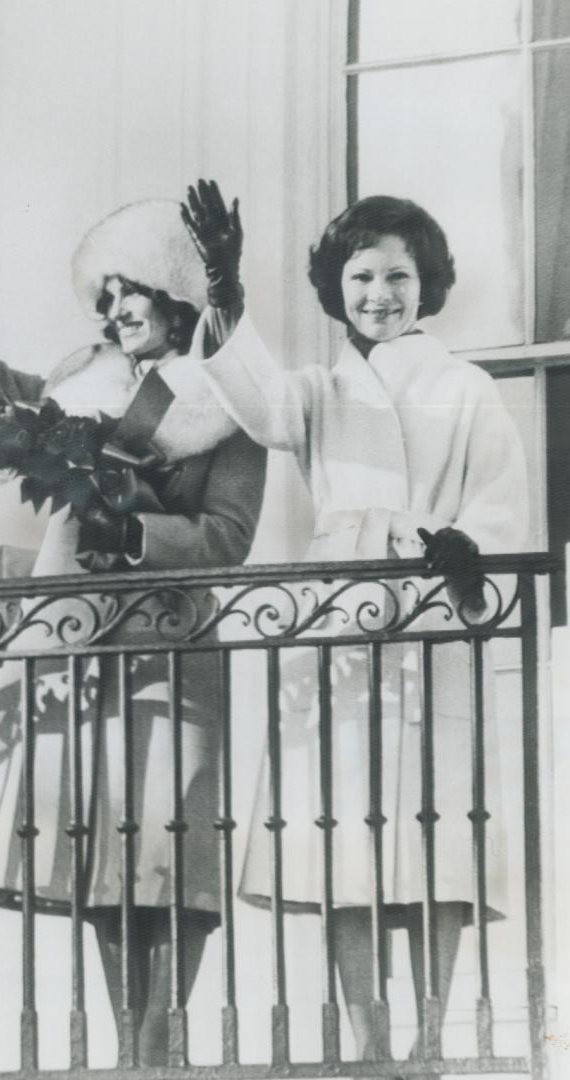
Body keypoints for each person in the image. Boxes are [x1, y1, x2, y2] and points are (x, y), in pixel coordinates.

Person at [0, 163, 265, 1065]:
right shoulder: (78, 378)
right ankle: (129, 1047)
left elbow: (227, 535)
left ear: (174, 295)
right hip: (74, 645)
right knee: (107, 858)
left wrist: (133, 531)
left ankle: (161, 1041)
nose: (112, 314)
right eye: (102, 300)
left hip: (170, 646)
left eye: (128, 295)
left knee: (169, 856)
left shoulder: (230, 394)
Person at [200, 195, 529, 1059]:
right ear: (334, 289)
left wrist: (469, 545)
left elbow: (503, 499)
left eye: (397, 276)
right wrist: (225, 289)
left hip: (433, 599)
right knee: (338, 833)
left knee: (437, 829)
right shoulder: (320, 389)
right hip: (341, 617)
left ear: (428, 286)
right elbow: (261, 407)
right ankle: (370, 1046)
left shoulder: (466, 386)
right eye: (361, 278)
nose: (379, 294)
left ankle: (426, 1044)